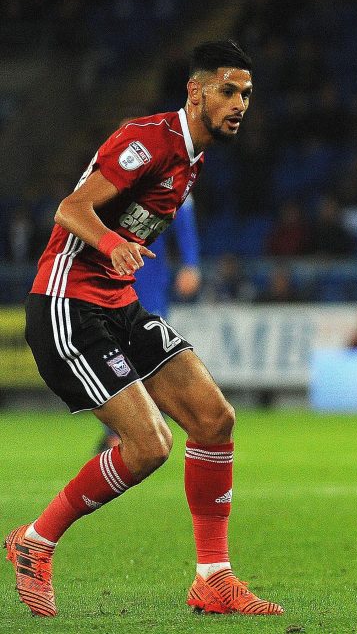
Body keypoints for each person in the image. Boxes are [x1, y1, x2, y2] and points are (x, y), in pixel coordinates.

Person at [6, 40, 283, 617]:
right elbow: (71, 208)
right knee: (149, 445)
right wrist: (112, 244)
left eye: (247, 95)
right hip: (68, 306)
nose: (239, 104)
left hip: (118, 305)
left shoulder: (192, 158)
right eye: (228, 91)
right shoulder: (148, 141)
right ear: (196, 91)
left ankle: (214, 579)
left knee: (214, 419)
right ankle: (35, 541)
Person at [95, 196, 202, 453]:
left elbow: (183, 213)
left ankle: (133, 429)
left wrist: (191, 263)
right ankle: (123, 429)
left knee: (144, 352)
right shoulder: (114, 177)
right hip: (108, 277)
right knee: (113, 354)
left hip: (148, 280)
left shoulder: (167, 174)